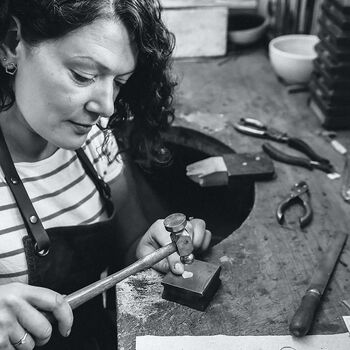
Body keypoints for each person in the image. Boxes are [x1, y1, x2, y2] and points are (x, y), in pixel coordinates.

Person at [0, 1, 212, 349]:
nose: (106, 106)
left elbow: (130, 248)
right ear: (12, 43)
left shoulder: (95, 138)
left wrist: (151, 250)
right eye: (83, 75)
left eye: (119, 82)